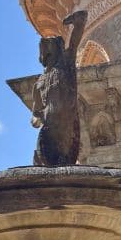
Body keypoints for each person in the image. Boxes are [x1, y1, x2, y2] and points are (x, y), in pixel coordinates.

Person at [31, 10, 88, 167]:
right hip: (50, 128)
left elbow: (74, 43)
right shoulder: (40, 82)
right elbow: (35, 113)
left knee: (63, 162)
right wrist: (38, 118)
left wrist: (79, 22)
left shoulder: (65, 64)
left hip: (67, 126)